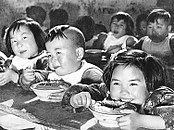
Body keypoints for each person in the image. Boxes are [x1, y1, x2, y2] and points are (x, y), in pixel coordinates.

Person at [62, 49, 174, 130]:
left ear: (151, 85)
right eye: (116, 83)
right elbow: (80, 90)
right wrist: (76, 98)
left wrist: (141, 120)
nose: (123, 91)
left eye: (133, 84)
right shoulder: (109, 93)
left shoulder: (159, 96)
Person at [0, 17, 48, 88]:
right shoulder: (12, 60)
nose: (19, 45)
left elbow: (42, 83)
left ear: (37, 37)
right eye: (14, 41)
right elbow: (4, 69)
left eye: (24, 38)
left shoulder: (44, 60)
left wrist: (16, 78)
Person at [133, 9, 174, 87]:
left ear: (168, 29)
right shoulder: (143, 42)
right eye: (150, 27)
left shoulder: (171, 42)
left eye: (158, 27)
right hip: (148, 80)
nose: (153, 30)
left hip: (169, 81)